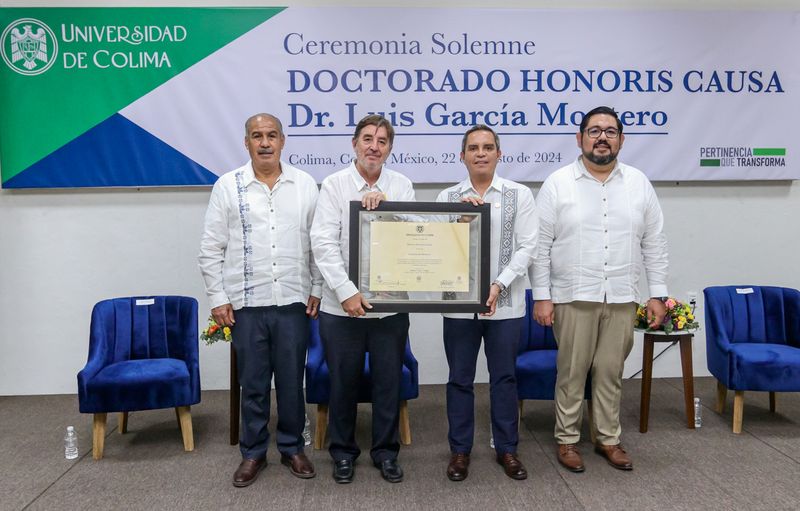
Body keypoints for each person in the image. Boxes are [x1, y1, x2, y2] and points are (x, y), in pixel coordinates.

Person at [532, 106, 669, 473]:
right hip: (574, 296)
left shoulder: (639, 183)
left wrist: (657, 293)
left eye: (610, 131)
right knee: (572, 371)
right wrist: (542, 295)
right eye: (594, 131)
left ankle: (608, 439)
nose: (602, 137)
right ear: (579, 139)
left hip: (623, 296)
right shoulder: (558, 183)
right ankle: (567, 440)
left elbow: (654, 243)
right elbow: (540, 245)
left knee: (610, 370)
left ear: (621, 140)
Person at [198, 113, 322, 487]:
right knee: (253, 384)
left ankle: (291, 448)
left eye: (271, 135)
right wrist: (218, 298)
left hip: (293, 303)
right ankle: (252, 454)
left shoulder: (304, 185)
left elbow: (318, 244)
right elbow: (210, 248)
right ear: (246, 143)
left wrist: (316, 287)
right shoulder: (227, 186)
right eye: (257, 136)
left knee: (290, 383)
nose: (265, 142)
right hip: (245, 307)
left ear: (283, 141)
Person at [310, 114, 415, 484]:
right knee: (343, 383)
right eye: (367, 138)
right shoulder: (336, 185)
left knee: (389, 382)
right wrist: (346, 292)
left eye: (382, 140)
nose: (374, 146)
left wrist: (389, 209)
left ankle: (386, 452)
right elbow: (322, 244)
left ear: (389, 148)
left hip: (390, 308)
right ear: (354, 143)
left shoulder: (401, 185)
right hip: (342, 309)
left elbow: (413, 242)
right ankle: (343, 452)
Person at [435, 125, 538, 482]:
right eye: (474, 148)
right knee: (460, 379)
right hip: (459, 307)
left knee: (504, 379)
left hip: (505, 305)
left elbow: (527, 248)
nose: (481, 153)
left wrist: (498, 285)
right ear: (461, 155)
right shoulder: (447, 198)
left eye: (488, 147)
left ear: (499, 153)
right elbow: (436, 251)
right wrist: (457, 220)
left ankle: (507, 449)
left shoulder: (519, 195)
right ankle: (459, 451)